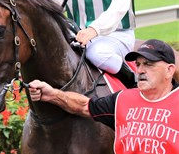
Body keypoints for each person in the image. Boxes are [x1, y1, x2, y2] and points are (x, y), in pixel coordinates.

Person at [29, 39, 179, 154]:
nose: (140, 70)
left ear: (169, 70)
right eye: (138, 64)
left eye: (148, 64)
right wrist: (52, 94)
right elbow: (84, 106)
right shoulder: (122, 100)